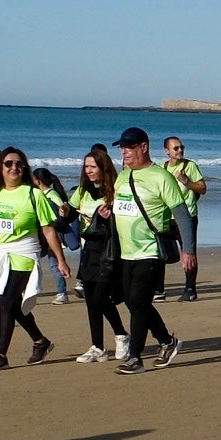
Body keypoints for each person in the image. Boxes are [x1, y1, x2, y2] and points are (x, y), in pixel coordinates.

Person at [0, 147, 70, 371]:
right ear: (1, 167)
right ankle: (40, 341)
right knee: (12, 304)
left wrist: (60, 259)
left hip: (24, 254)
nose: (14, 168)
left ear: (24, 168)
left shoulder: (33, 194)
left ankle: (1, 354)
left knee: (7, 300)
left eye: (19, 164)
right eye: (9, 163)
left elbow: (48, 230)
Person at [108, 128, 194, 375]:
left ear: (143, 147)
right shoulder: (123, 177)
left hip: (150, 251)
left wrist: (188, 250)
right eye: (122, 148)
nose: (124, 152)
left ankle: (135, 358)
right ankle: (167, 342)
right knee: (136, 304)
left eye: (129, 147)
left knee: (138, 303)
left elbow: (182, 216)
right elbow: (119, 207)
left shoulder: (161, 177)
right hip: (125, 253)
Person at [69, 144, 129, 362]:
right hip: (89, 251)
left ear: (103, 167)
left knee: (100, 297)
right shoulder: (82, 191)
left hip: (109, 250)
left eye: (93, 166)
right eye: (86, 167)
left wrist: (108, 217)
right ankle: (97, 347)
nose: (89, 171)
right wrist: (63, 211)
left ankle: (121, 335)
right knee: (90, 300)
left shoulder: (116, 191)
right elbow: (68, 214)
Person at [161, 137, 207, 301]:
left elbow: (202, 188)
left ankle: (190, 289)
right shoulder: (162, 168)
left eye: (182, 147)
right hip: (167, 217)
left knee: (188, 253)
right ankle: (159, 289)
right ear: (167, 151)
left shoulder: (190, 166)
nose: (180, 150)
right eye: (176, 148)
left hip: (187, 217)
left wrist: (186, 181)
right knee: (160, 253)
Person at [31, 166, 77, 304]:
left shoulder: (51, 195)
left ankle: (62, 293)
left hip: (54, 235)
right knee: (49, 264)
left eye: (33, 179)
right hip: (45, 235)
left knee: (54, 265)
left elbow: (62, 212)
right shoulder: (43, 194)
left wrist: (64, 209)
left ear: (38, 181)